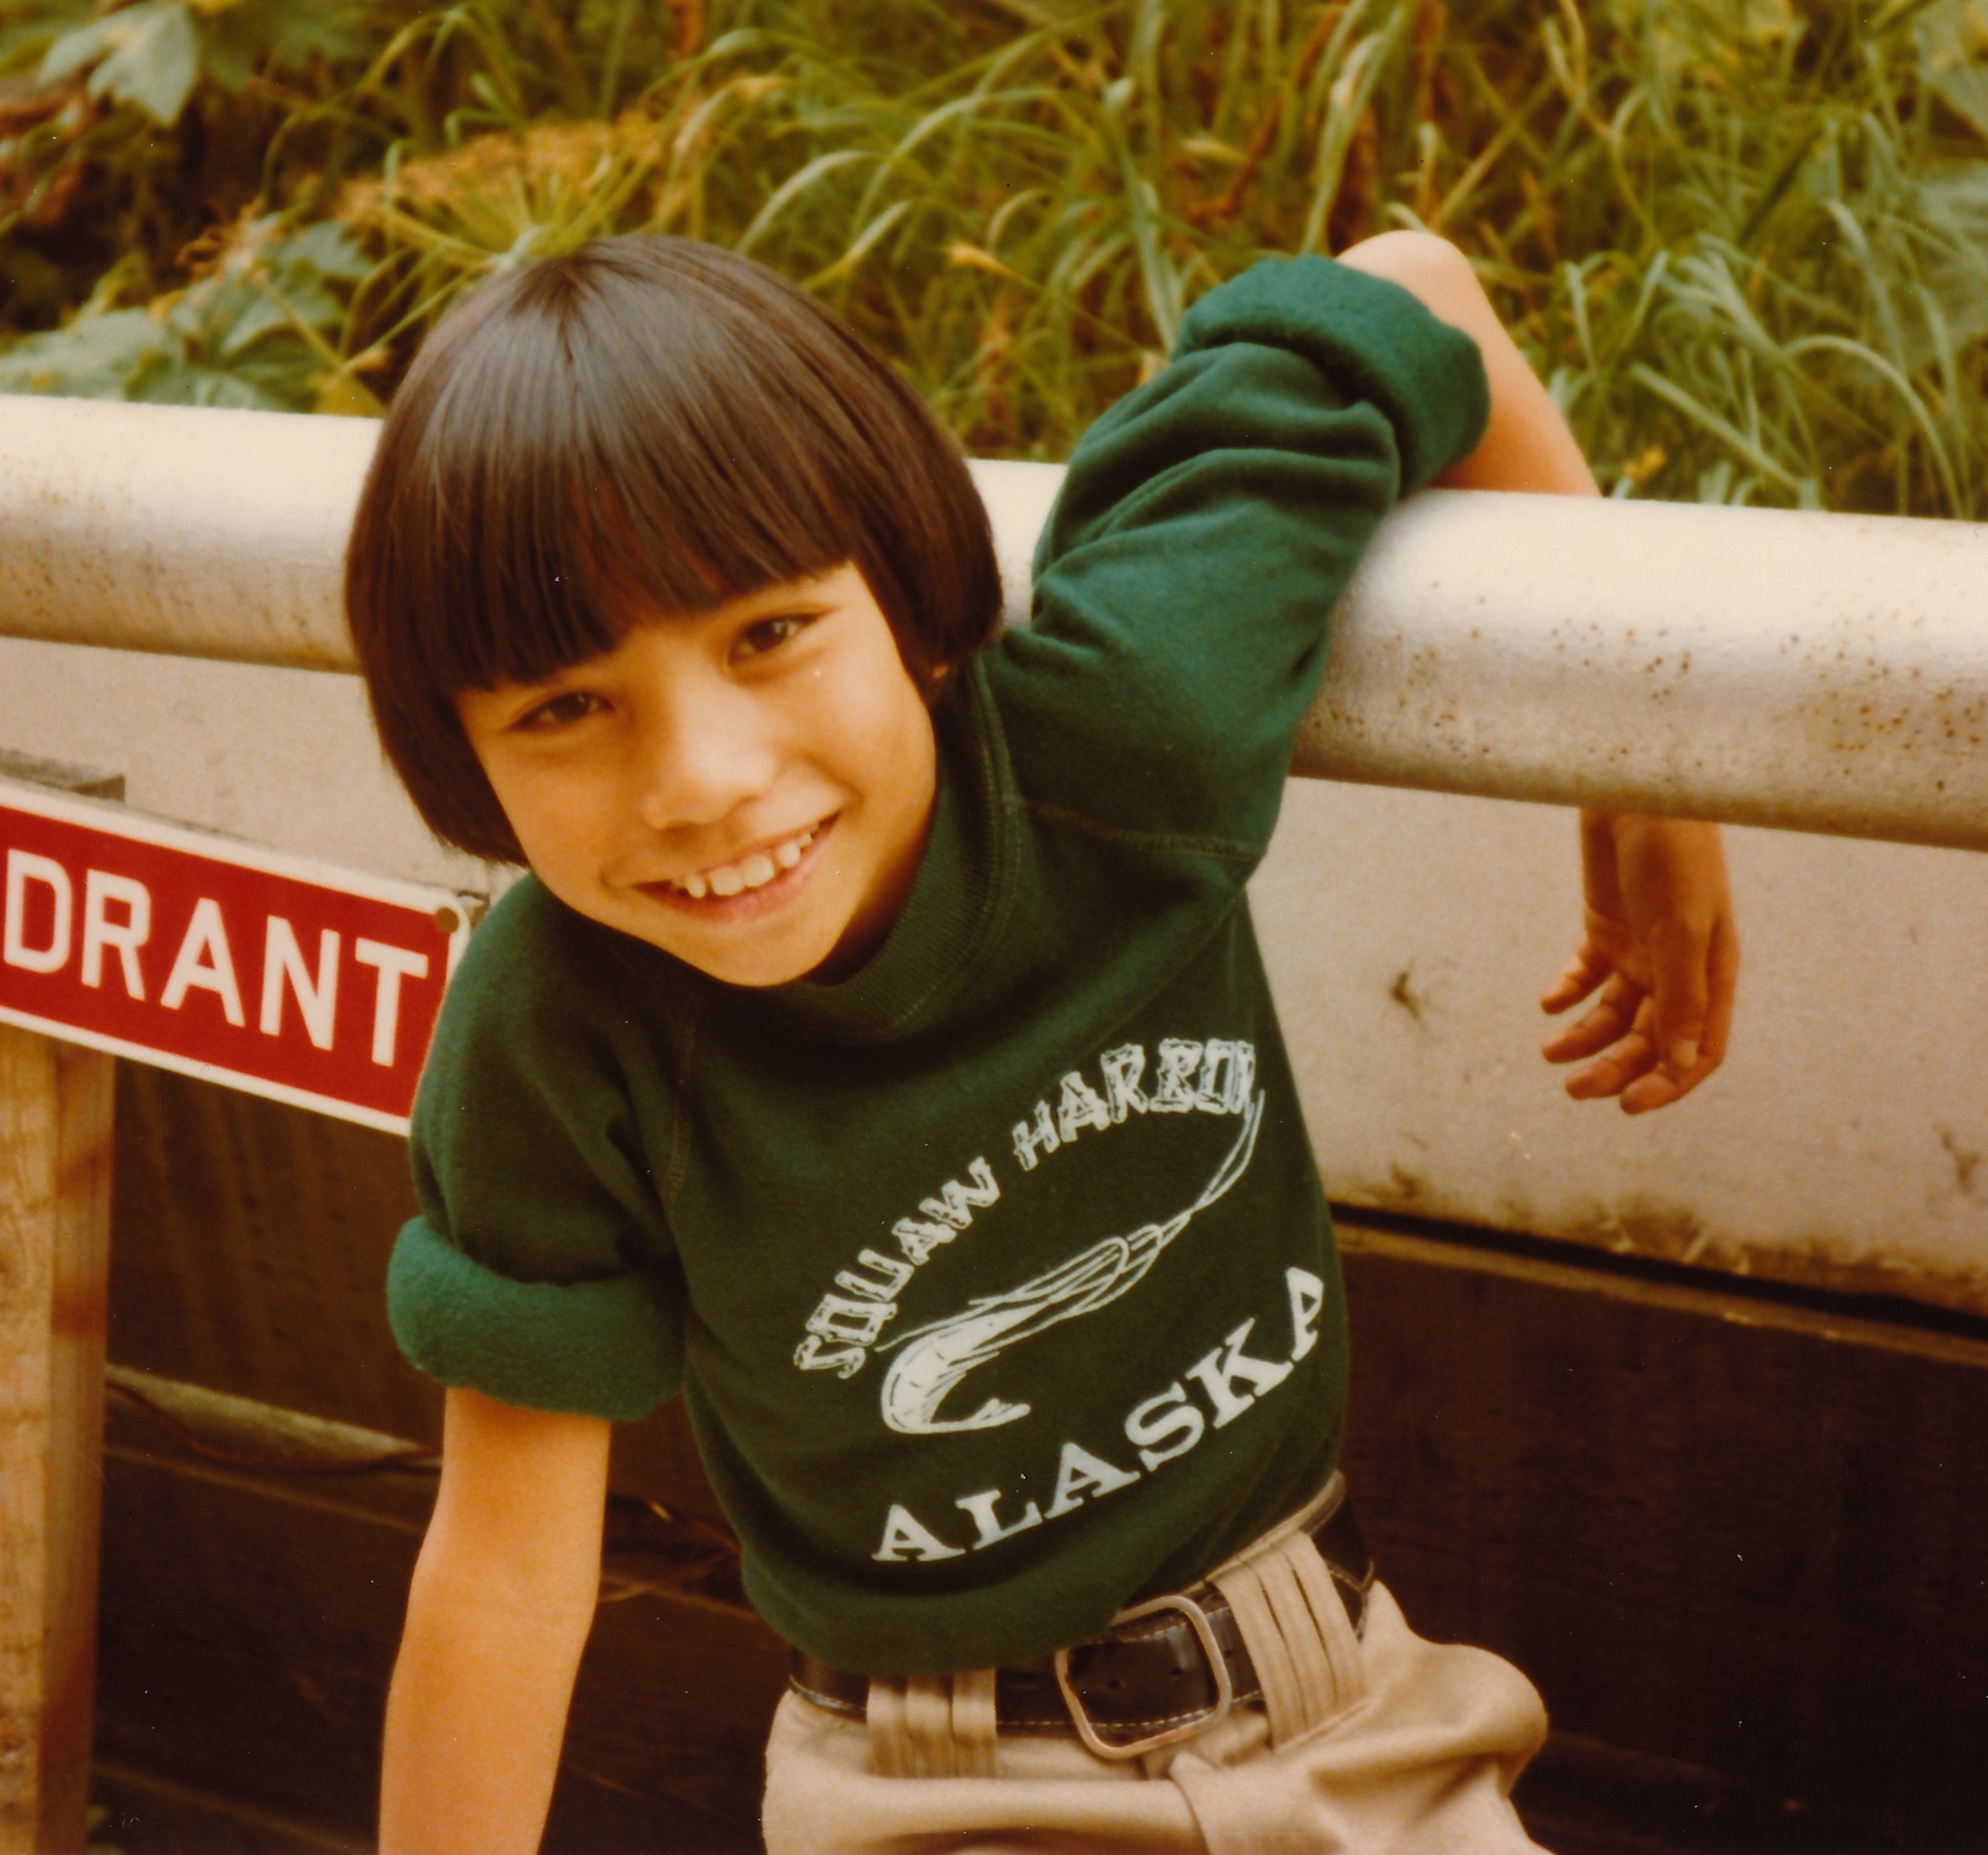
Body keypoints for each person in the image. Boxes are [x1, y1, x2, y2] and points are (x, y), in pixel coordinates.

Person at [344, 230, 1737, 1854]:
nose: (702, 779)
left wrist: (1646, 790)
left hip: (1354, 1711)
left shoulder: (1125, 729)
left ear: (913, 599)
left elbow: (1415, 289)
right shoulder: (555, 1031)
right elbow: (506, 1572)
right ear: (461, 757)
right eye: (565, 708)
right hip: (934, 1786)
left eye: (769, 632)